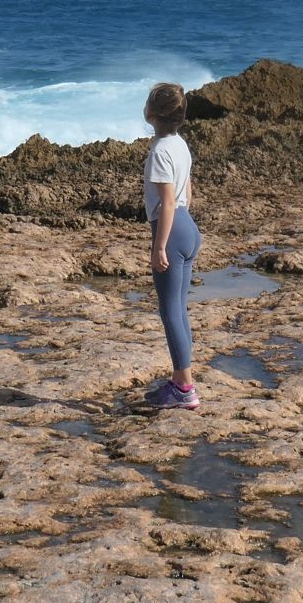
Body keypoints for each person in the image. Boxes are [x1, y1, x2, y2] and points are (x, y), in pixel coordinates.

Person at [141, 82, 199, 410]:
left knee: (170, 310)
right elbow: (187, 190)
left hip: (172, 232)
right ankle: (180, 381)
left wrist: (160, 246)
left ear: (152, 113)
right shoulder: (179, 144)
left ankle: (184, 389)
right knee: (179, 307)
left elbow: (166, 203)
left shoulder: (159, 151)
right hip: (187, 227)